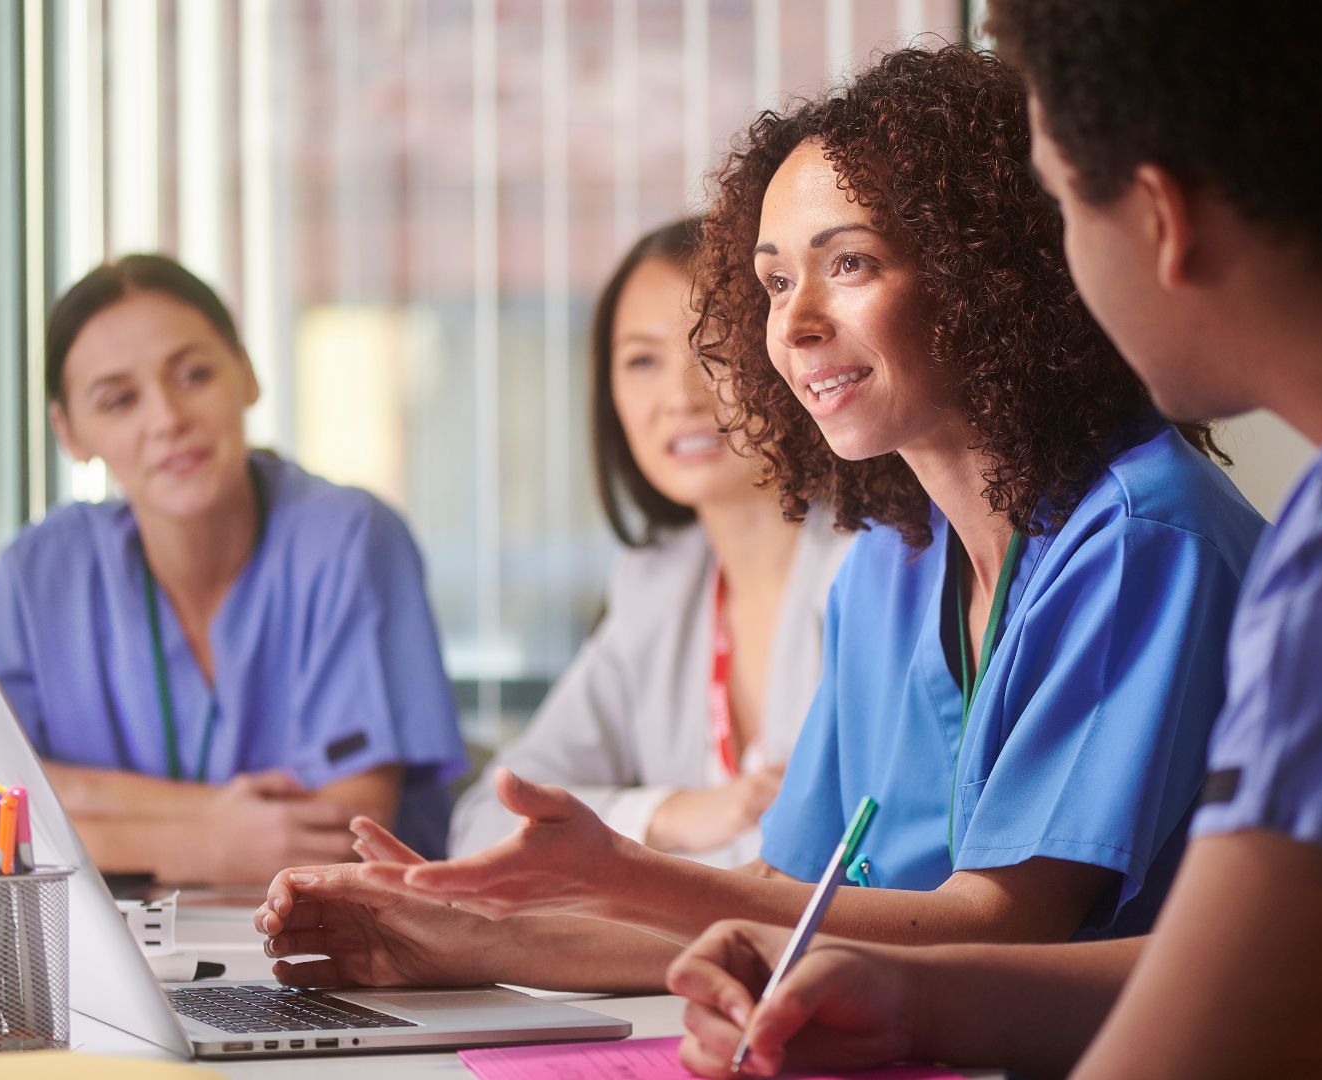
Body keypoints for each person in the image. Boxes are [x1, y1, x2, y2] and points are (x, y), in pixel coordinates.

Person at [254, 45, 1265, 993]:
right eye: (775, 280)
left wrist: (625, 872)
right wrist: (468, 940)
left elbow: (1008, 923)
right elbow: (793, 895)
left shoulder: (1142, 537)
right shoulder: (891, 564)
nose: (795, 320)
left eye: (850, 263)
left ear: (983, 273)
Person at [664, 4, 1322, 1079]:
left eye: (1065, 209)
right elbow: (1267, 961)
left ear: (1162, 218)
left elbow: (1242, 1030)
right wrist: (915, 999)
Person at [0, 254, 468, 886]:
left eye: (195, 375)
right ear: (71, 435)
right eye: (119, 400)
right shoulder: (38, 576)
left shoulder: (349, 539)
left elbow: (342, 836)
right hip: (119, 954)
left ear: (248, 374)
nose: (168, 419)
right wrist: (205, 841)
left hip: (337, 960)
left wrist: (70, 800)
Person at [449, 219, 852, 868]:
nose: (679, 398)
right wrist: (668, 815)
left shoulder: (875, 564)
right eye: (642, 361)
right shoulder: (659, 582)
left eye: (715, 352)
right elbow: (488, 817)